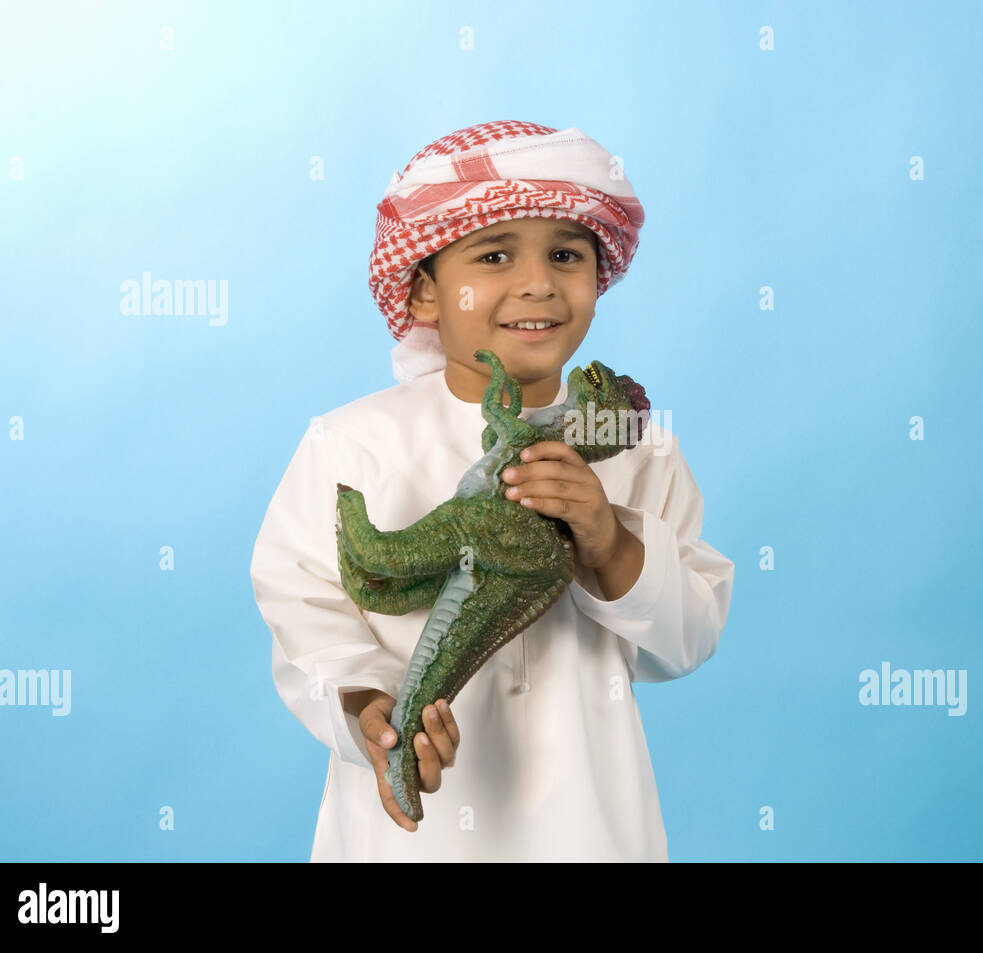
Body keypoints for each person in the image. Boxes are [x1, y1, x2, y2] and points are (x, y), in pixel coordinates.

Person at [249, 120, 734, 861]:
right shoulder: (350, 441)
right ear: (422, 293)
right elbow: (300, 603)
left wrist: (608, 541)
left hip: (589, 825)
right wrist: (364, 704)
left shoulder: (643, 449)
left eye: (566, 254)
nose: (538, 282)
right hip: (414, 836)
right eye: (496, 254)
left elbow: (689, 636)